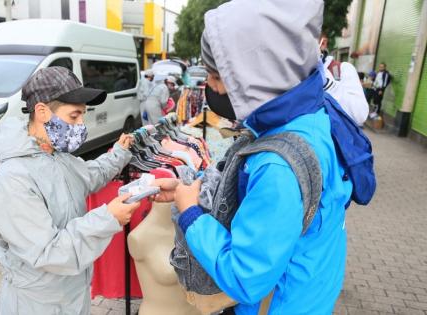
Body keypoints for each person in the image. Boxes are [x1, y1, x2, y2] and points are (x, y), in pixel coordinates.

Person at [152, 0, 374, 313]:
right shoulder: (314, 114)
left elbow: (245, 277)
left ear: (252, 77)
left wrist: (191, 214)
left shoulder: (278, 165)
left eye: (216, 78)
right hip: (310, 290)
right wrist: (187, 191)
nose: (209, 88)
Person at [0, 66, 140, 315]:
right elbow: (49, 252)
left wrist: (119, 154)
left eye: (83, 116)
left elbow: (90, 175)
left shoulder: (58, 157)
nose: (81, 124)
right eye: (74, 116)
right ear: (42, 111)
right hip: (37, 304)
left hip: (71, 295)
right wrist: (108, 218)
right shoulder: (13, 179)